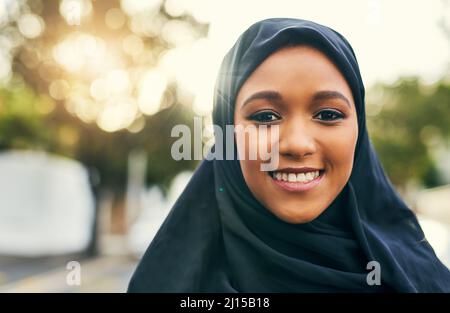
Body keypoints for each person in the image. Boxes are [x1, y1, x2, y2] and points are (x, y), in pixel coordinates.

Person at [128, 18, 450, 292]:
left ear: (359, 131)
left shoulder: (421, 281)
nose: (297, 144)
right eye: (265, 117)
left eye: (327, 114)